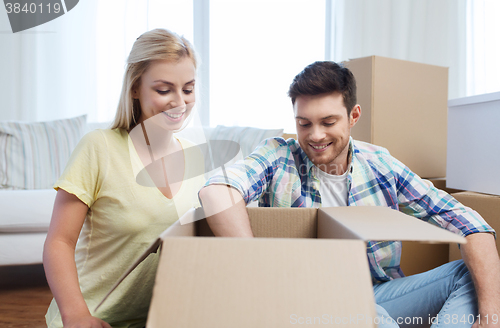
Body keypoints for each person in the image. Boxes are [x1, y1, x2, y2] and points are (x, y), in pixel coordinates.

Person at [198, 61, 500, 327]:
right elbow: (217, 190)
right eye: (304, 123)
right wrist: (253, 267)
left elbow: (472, 226)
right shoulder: (278, 156)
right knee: (359, 306)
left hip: (381, 296)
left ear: (353, 116)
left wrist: (490, 316)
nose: (315, 135)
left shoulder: (380, 164)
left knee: (471, 274)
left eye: (328, 122)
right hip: (308, 301)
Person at [43, 28, 205, 328]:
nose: (179, 102)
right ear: (135, 88)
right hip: (93, 318)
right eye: (163, 89)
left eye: (188, 88)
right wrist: (76, 315)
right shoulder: (99, 147)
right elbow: (59, 242)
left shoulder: (196, 158)